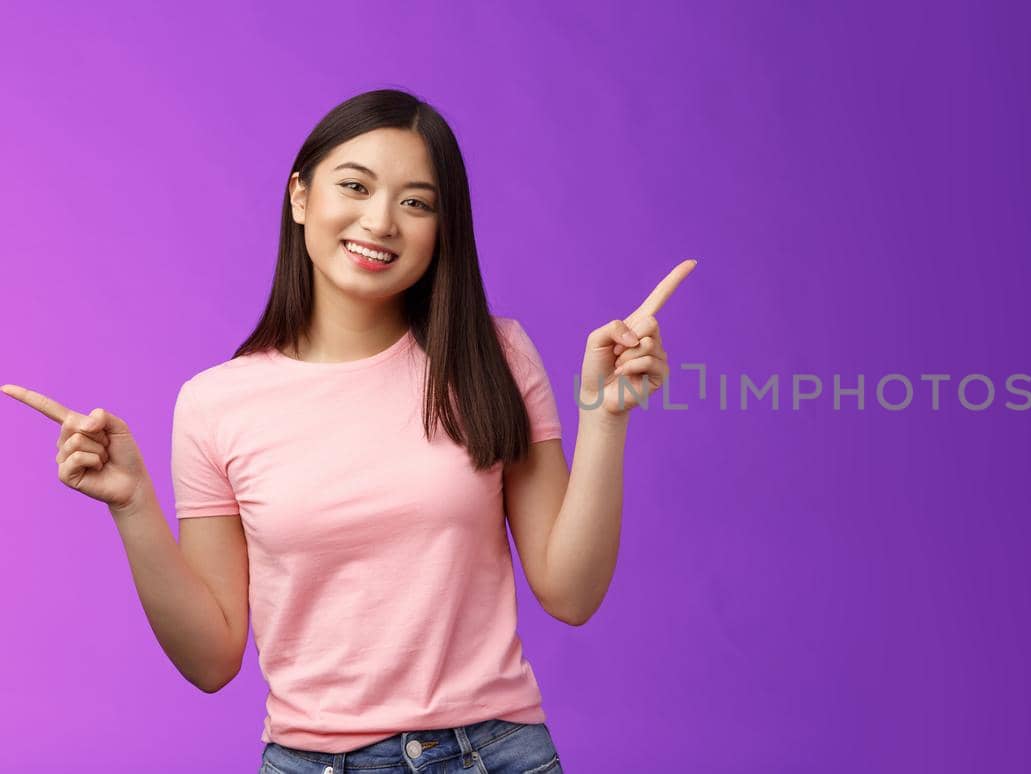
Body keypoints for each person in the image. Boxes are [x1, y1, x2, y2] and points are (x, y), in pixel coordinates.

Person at [2, 88, 695, 773]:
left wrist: (604, 419)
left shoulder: (495, 356)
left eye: (417, 202)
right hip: (311, 762)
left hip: (491, 754)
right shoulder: (216, 403)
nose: (382, 221)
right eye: (355, 187)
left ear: (443, 228)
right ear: (300, 198)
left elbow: (570, 595)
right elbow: (212, 662)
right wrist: (132, 507)